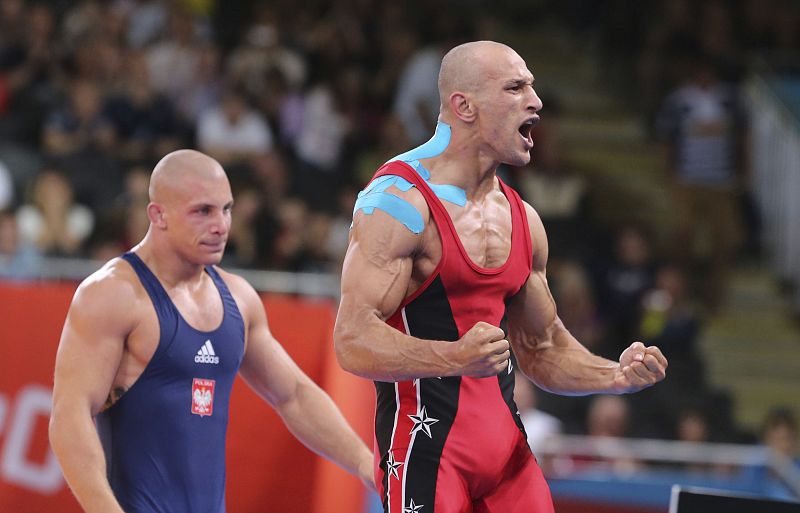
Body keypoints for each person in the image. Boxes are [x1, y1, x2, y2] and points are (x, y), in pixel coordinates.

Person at [334, 41, 668, 513]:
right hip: (427, 454)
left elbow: (542, 347)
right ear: (462, 106)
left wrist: (615, 375)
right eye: (515, 87)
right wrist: (454, 357)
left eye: (531, 86)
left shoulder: (522, 219)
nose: (536, 101)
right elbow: (351, 339)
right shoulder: (397, 202)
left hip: (507, 457)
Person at [49, 149, 373, 513]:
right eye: (203, 211)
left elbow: (293, 394)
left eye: (227, 209)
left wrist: (365, 463)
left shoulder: (238, 298)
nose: (221, 225)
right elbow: (70, 415)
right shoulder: (114, 295)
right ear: (158, 215)